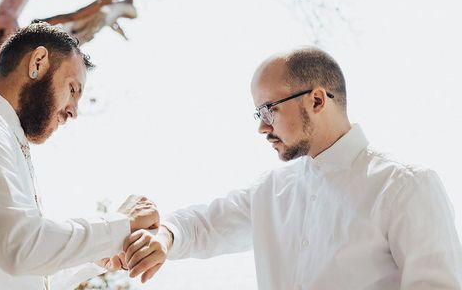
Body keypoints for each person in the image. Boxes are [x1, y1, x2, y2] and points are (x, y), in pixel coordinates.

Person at [122, 47, 462, 289]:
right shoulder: (271, 191)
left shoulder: (406, 187)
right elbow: (203, 225)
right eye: (258, 114)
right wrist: (164, 236)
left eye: (268, 110)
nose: (262, 127)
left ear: (316, 100)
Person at [0, 22, 158, 290]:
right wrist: (122, 224)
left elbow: (27, 274)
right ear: (38, 62)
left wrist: (98, 254)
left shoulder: (1, 136)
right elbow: (20, 247)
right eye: (73, 89)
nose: (74, 111)